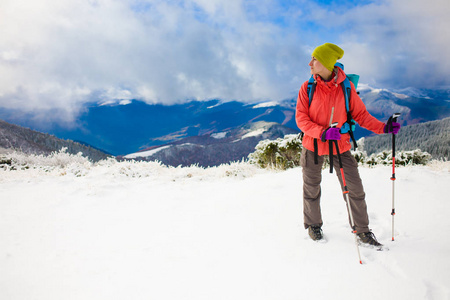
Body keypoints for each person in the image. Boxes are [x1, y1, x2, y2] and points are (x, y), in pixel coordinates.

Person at [295, 43, 400, 245]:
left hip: (340, 146)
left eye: (314, 59)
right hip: (313, 145)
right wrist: (323, 132)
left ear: (326, 63)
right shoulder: (307, 88)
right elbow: (301, 119)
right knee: (311, 188)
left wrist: (383, 128)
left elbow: (360, 114)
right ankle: (313, 226)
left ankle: (362, 231)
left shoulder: (345, 87)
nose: (310, 63)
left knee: (354, 189)